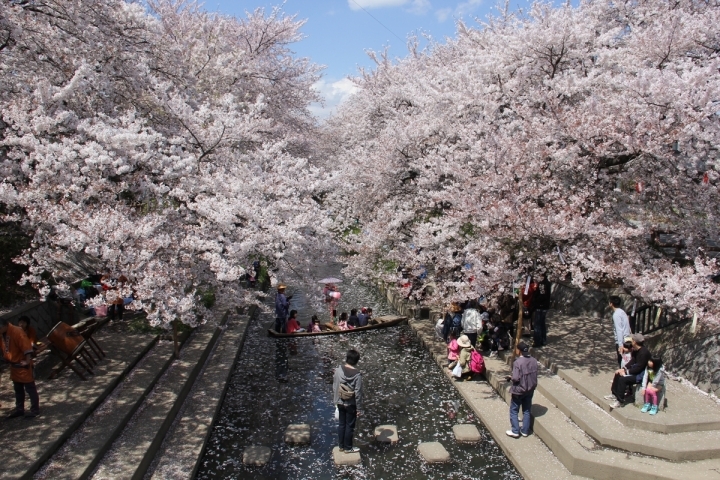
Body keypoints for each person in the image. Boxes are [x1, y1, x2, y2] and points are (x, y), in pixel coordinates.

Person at [0, 318, 40, 418]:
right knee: (18, 389)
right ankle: (19, 409)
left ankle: (35, 410)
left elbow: (26, 346)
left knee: (30, 388)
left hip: (22, 364)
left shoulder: (16, 331)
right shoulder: (3, 333)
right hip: (14, 365)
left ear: (3, 326)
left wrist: (27, 360)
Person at [333, 349, 363, 454]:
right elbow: (358, 393)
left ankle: (341, 446)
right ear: (356, 361)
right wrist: (359, 409)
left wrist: (336, 400)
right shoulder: (357, 375)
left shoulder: (338, 369)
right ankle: (348, 447)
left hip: (340, 401)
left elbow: (335, 385)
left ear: (347, 358)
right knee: (349, 426)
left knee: (342, 424)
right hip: (350, 403)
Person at [608, 333, 651, 407]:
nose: (631, 341)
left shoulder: (644, 353)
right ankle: (614, 394)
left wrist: (626, 372)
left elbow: (639, 368)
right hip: (635, 371)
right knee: (618, 373)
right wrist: (623, 369)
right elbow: (633, 361)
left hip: (641, 375)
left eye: (632, 339)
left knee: (623, 379)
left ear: (634, 342)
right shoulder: (636, 350)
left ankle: (620, 401)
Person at [506, 341, 538, 438]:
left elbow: (516, 378)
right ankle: (525, 430)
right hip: (530, 389)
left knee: (514, 410)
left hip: (519, 389)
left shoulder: (517, 362)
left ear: (518, 350)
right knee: (527, 410)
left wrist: (510, 377)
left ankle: (515, 430)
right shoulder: (533, 360)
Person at [609, 296, 631, 367]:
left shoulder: (616, 315)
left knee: (622, 360)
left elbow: (619, 330)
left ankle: (622, 376)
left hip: (622, 340)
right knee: (627, 359)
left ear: (611, 303)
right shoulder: (622, 312)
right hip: (627, 338)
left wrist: (620, 345)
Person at [532, 273, 551, 347]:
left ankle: (537, 341)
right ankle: (543, 340)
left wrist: (535, 302)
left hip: (540, 306)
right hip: (545, 306)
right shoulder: (547, 283)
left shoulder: (542, 284)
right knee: (542, 323)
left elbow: (542, 296)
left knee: (537, 324)